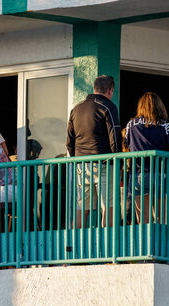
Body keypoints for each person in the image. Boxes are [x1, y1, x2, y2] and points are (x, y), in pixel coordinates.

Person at [66, 75, 122, 227]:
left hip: (81, 165)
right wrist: (119, 163)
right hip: (104, 163)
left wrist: (76, 159)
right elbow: (115, 140)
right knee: (107, 207)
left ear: (94, 88)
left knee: (81, 208)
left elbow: (69, 142)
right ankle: (106, 247)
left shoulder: (76, 109)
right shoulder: (108, 107)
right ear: (110, 90)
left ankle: (72, 246)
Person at [125, 92, 169, 223]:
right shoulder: (166, 124)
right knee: (161, 219)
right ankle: (160, 244)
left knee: (142, 220)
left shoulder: (131, 124)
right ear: (159, 106)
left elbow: (127, 143)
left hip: (137, 173)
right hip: (159, 174)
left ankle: (143, 243)